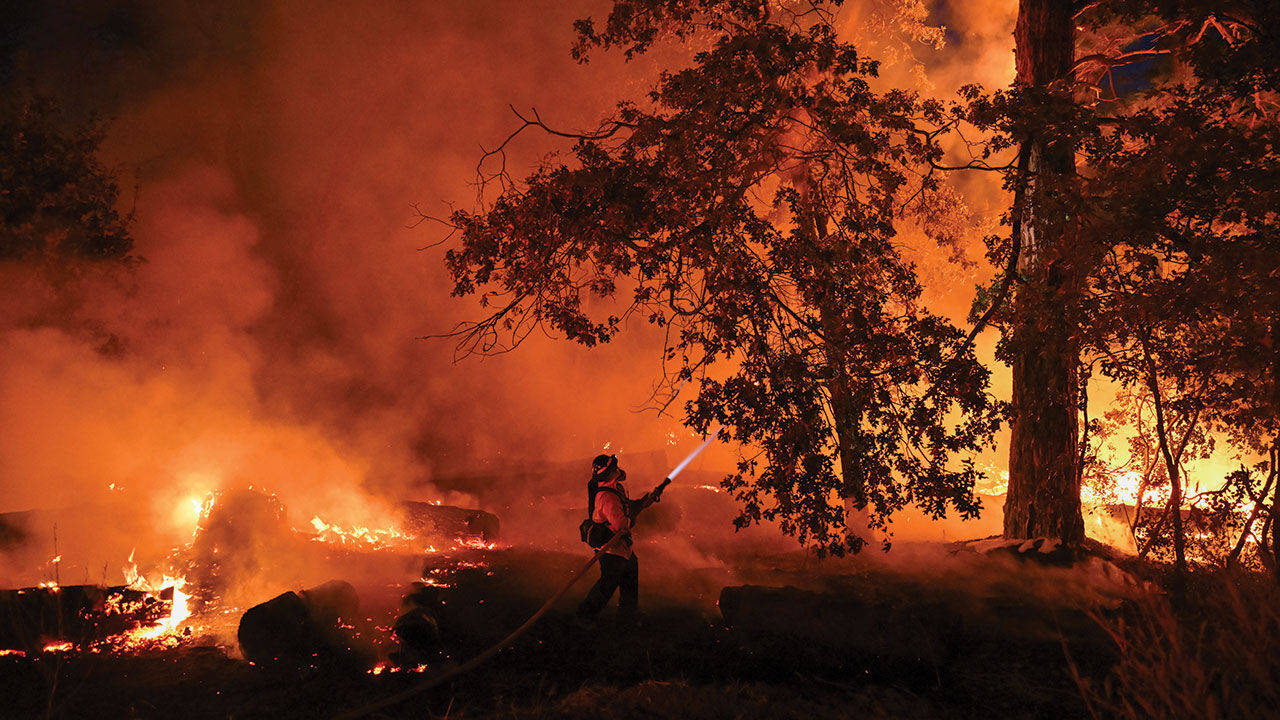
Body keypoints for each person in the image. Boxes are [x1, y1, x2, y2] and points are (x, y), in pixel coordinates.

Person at [576, 454, 656, 622]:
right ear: (610, 472)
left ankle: (629, 612)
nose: (618, 471)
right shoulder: (607, 497)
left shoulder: (614, 489)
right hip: (611, 549)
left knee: (630, 575)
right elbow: (621, 524)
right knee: (607, 585)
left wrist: (645, 502)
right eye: (614, 469)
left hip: (621, 548)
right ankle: (584, 615)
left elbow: (626, 506)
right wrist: (634, 515)